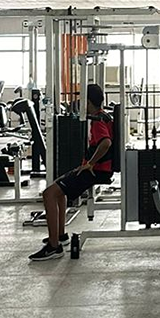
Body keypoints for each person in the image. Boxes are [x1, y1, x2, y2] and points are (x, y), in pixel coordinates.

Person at [29, 84, 113, 261]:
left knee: (49, 194)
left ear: (88, 102)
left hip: (95, 171)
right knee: (58, 189)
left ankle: (54, 247)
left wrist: (90, 164)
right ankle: (60, 236)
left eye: (82, 99)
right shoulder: (102, 115)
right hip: (95, 169)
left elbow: (106, 143)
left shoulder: (98, 121)